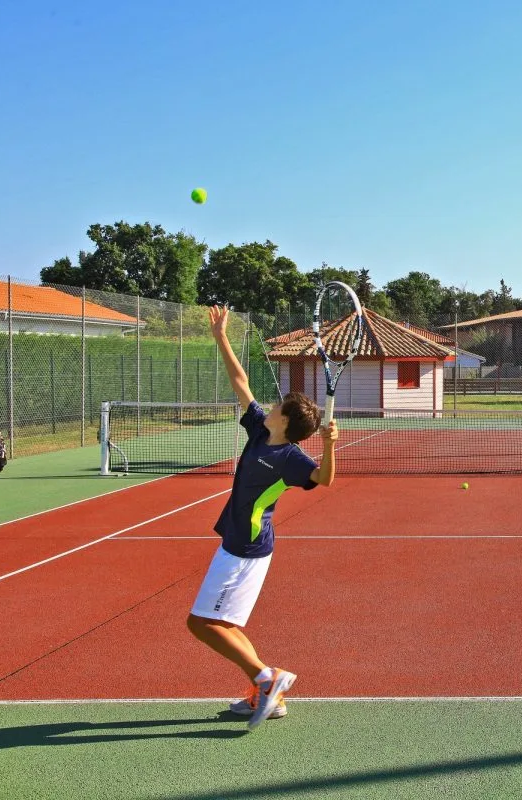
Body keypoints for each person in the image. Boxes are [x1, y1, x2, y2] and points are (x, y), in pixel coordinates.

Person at [186, 305, 338, 731]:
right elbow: (241, 382)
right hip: (241, 542)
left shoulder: (289, 456)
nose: (270, 405)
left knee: (200, 623)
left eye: (278, 406)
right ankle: (265, 691)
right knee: (227, 623)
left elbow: (322, 480)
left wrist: (329, 445)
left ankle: (266, 677)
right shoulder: (259, 429)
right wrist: (221, 337)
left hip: (245, 547)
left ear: (286, 422)